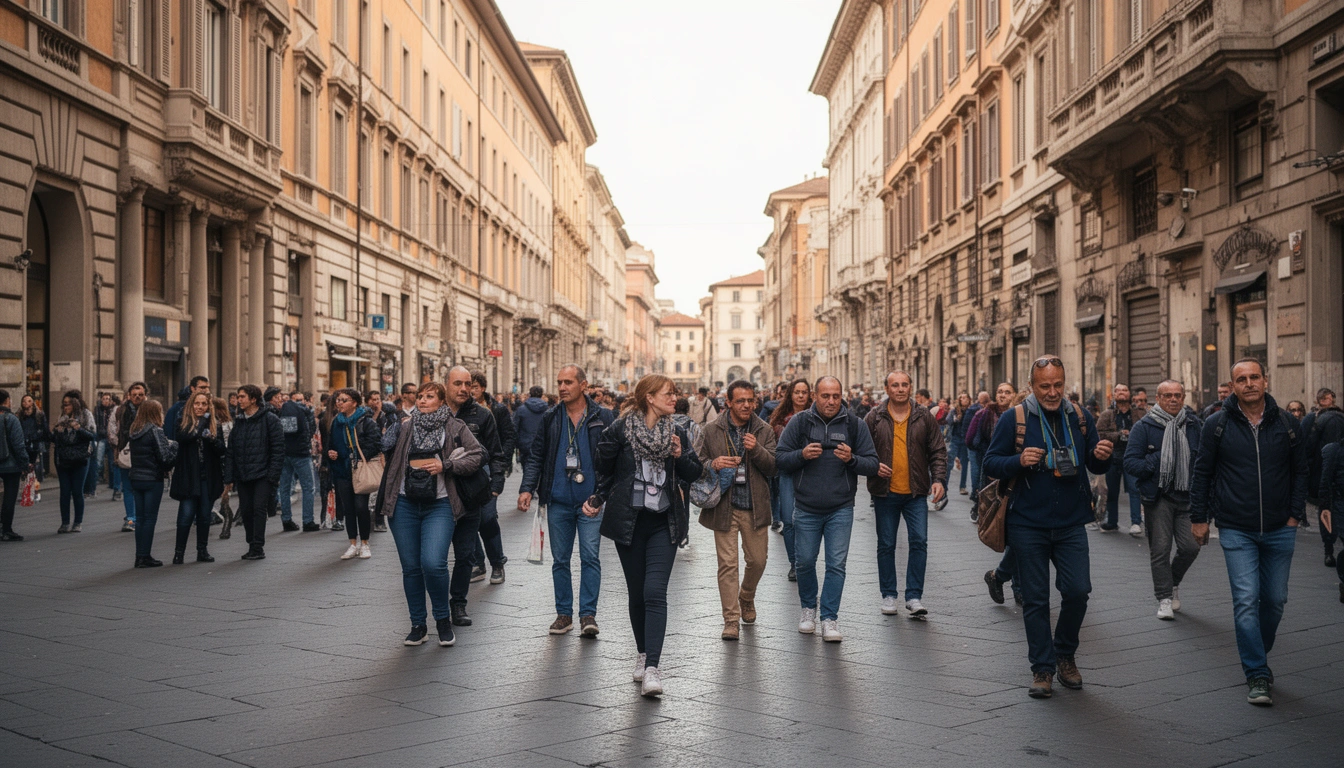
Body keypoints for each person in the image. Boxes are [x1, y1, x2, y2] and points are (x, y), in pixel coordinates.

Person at [983, 356, 1113, 699]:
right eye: (1045, 386)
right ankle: (1042, 668)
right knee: (1036, 600)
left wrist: (1102, 456)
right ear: (1031, 386)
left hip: (1071, 522)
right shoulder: (1015, 418)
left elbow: (1093, 461)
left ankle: (1065, 653)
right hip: (1028, 524)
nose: (1053, 392)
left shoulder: (1080, 416)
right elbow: (991, 463)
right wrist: (1018, 460)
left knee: (1078, 591)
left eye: (1058, 385)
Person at [1190, 359, 1307, 707]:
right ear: (1232, 386)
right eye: (1241, 379)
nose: (1249, 383)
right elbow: (1202, 473)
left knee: (1275, 600)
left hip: (1280, 527)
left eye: (1255, 377)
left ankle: (1257, 648)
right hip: (1236, 528)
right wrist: (1199, 518)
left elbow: (1301, 471)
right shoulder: (1217, 424)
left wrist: (1294, 515)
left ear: (1265, 381)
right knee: (1245, 601)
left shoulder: (1286, 423)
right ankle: (1256, 672)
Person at [593, 374, 703, 697]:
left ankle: (653, 667)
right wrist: (600, 491)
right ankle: (642, 653)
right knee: (637, 594)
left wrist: (681, 455)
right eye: (668, 393)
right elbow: (603, 465)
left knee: (655, 591)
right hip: (629, 521)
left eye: (674, 393)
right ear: (649, 397)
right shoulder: (621, 428)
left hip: (663, 522)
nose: (674, 398)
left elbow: (695, 473)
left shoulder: (677, 431)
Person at [378, 381, 487, 648]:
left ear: (441, 402)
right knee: (411, 568)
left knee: (433, 563)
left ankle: (442, 620)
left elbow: (478, 455)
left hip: (439, 504)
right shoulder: (405, 425)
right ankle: (418, 625)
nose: (423, 401)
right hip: (404, 504)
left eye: (429, 396)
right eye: (420, 396)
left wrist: (446, 465)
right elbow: (382, 448)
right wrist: (392, 425)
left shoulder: (455, 427)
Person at [776, 376, 880, 642]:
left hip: (840, 507)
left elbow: (872, 464)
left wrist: (852, 459)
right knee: (804, 562)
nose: (831, 401)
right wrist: (801, 455)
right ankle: (808, 609)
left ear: (841, 395)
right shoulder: (800, 422)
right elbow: (780, 458)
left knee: (836, 564)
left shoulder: (854, 424)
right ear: (815, 396)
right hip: (806, 506)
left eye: (836, 396)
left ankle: (829, 617)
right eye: (825, 396)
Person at [518, 365, 615, 636]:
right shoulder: (550, 417)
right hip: (558, 500)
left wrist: (603, 494)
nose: (562, 387)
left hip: (590, 502)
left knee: (590, 557)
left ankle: (588, 615)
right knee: (560, 560)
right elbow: (537, 456)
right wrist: (527, 488)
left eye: (568, 382)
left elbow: (613, 458)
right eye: (559, 382)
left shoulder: (603, 416)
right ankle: (564, 614)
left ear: (583, 385)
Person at [699, 379, 777, 641]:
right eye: (740, 401)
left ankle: (747, 595)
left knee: (758, 561)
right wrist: (713, 463)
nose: (746, 405)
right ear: (728, 403)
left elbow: (773, 467)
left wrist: (756, 450)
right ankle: (731, 620)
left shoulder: (764, 429)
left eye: (750, 400)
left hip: (754, 506)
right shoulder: (711, 430)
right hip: (724, 506)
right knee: (727, 565)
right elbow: (697, 462)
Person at [866, 371, 947, 619]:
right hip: (885, 492)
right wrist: (873, 466)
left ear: (911, 387)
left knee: (919, 541)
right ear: (887, 389)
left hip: (916, 492)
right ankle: (889, 595)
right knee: (886, 544)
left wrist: (939, 479)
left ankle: (913, 597)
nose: (900, 389)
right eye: (895, 385)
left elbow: (938, 450)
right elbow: (862, 450)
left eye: (904, 384)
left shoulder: (924, 416)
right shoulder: (874, 417)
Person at [1124, 380, 1203, 620]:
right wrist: (1160, 457)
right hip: (1158, 497)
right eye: (1167, 395)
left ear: (1183, 398)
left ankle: (1172, 581)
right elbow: (1131, 463)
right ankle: (1164, 598)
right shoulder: (1144, 426)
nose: (1173, 399)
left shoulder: (1194, 425)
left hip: (1188, 497)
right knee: (1160, 549)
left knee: (1191, 547)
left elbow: (1203, 462)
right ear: (1157, 399)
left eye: (1178, 395)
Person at [442, 367, 505, 627]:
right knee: (435, 558)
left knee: (468, 549)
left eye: (468, 384)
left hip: (473, 490)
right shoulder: (434, 412)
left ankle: (459, 602)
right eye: (458, 383)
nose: (464, 389)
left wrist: (496, 486)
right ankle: (439, 606)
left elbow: (496, 452)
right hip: (440, 494)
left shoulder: (482, 415)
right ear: (446, 385)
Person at [983, 386, 1031, 607]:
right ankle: (1018, 588)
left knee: (1023, 544)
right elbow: (992, 461)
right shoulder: (1013, 423)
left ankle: (999, 576)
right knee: (1021, 543)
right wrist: (1019, 461)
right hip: (1014, 493)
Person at [323, 388, 382, 560]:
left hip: (359, 470)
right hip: (342, 470)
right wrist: (331, 453)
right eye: (338, 400)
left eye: (344, 400)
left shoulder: (366, 421)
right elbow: (330, 444)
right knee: (348, 508)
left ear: (354, 403)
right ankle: (352, 543)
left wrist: (355, 456)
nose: (339, 403)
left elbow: (375, 443)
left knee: (361, 507)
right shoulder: (336, 422)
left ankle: (365, 543)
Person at [168, 392, 227, 564]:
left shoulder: (214, 424)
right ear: (191, 405)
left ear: (208, 406)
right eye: (197, 403)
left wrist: (213, 439)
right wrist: (201, 426)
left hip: (207, 477)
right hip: (188, 476)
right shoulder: (183, 422)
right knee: (185, 516)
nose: (200, 407)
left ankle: (202, 550)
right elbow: (183, 437)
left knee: (204, 516)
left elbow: (221, 450)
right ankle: (179, 552)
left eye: (203, 404)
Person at [469, 372, 516, 587]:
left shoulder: (496, 409)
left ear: (483, 388)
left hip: (490, 468)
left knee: (487, 518)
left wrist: (502, 462)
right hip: (467, 471)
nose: (470, 390)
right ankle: (478, 562)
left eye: (474, 386)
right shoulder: (459, 410)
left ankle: (497, 562)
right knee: (468, 519)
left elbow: (509, 436)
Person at [229, 385, 284, 561]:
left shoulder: (270, 419)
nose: (239, 400)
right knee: (246, 511)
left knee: (259, 509)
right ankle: (251, 543)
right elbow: (231, 450)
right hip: (243, 474)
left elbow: (278, 449)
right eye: (238, 397)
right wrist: (229, 477)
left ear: (253, 399)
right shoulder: (239, 421)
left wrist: (272, 476)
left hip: (263, 474)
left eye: (242, 397)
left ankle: (257, 546)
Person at [126, 400, 178, 568]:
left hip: (136, 478)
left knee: (140, 519)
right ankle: (144, 555)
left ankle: (139, 556)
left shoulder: (134, 431)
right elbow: (165, 459)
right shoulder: (156, 431)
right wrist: (174, 447)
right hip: (152, 479)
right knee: (149, 519)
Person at [770, 379, 811, 582]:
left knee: (808, 521)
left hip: (811, 473)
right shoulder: (779, 418)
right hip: (787, 472)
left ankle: (806, 561)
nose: (801, 395)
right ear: (790, 395)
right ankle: (794, 563)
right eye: (797, 392)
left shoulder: (816, 416)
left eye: (804, 392)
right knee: (788, 520)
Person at [1300, 388, 1344, 565]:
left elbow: (1305, 446)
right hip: (1333, 470)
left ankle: (1329, 550)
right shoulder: (1337, 417)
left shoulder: (1314, 419)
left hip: (1322, 471)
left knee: (1326, 507)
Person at [1095, 384, 1147, 536]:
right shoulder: (1107, 414)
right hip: (1113, 456)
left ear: (1129, 394)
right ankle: (1112, 521)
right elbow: (1099, 433)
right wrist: (1118, 435)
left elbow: (1146, 431)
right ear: (1114, 394)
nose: (1122, 393)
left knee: (1134, 489)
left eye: (1125, 390)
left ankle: (1136, 522)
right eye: (1118, 391)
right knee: (1112, 491)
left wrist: (1132, 434)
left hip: (1133, 457)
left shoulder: (1139, 413)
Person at [51, 391, 96, 534]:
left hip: (80, 458)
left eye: (68, 404)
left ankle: (77, 522)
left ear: (75, 404)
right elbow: (55, 439)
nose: (65, 407)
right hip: (63, 458)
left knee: (77, 491)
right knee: (64, 492)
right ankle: (65, 522)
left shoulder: (86, 415)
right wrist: (56, 431)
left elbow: (92, 436)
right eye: (64, 404)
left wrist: (78, 428)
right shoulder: (62, 417)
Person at [108, 383, 148, 531]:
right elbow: (112, 430)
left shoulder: (149, 409)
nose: (137, 397)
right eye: (134, 395)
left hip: (145, 454)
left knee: (142, 487)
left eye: (140, 395)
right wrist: (119, 446)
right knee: (128, 488)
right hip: (126, 453)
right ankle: (131, 518)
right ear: (129, 396)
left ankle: (141, 517)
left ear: (145, 396)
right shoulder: (120, 410)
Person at [278, 387, 318, 532]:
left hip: (284, 453)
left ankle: (286, 519)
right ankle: (308, 521)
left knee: (285, 488)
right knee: (308, 487)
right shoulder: (305, 411)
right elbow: (311, 429)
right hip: (301, 454)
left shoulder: (281, 410)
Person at [0, 390, 30, 541]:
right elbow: (19, 445)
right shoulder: (11, 419)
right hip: (10, 464)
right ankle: (6, 529)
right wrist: (25, 464)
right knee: (9, 497)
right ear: (7, 401)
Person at [86, 392, 117, 497]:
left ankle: (113, 484)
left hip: (111, 439)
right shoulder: (97, 409)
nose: (106, 401)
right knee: (98, 461)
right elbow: (95, 423)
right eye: (104, 399)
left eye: (107, 398)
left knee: (112, 462)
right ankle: (95, 483)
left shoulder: (113, 410)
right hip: (102, 438)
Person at [964, 391, 993, 495]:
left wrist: (969, 443)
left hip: (976, 444)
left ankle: (976, 491)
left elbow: (967, 429)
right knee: (980, 469)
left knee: (976, 468)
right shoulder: (989, 411)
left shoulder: (974, 411)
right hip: (981, 444)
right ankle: (980, 490)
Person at [164, 376, 210, 440]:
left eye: (208, 387)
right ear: (193, 388)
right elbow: (171, 432)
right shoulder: (179, 407)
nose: (206, 390)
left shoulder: (211, 405)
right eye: (202, 387)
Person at [513, 385, 549, 466]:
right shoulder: (548, 410)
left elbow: (515, 428)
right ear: (542, 395)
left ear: (530, 394)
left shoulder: (521, 410)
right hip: (543, 446)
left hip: (525, 446)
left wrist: (517, 444)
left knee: (527, 469)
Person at [18, 395, 48, 485]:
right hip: (24, 445)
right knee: (25, 469)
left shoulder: (39, 415)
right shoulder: (19, 415)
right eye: (24, 401)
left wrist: (40, 438)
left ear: (33, 403)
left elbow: (45, 430)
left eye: (29, 401)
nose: (26, 403)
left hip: (35, 445)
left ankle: (34, 485)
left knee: (35, 467)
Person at [947, 393, 973, 495]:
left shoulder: (971, 411)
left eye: (965, 397)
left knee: (965, 464)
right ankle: (944, 485)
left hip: (965, 440)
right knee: (949, 462)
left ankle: (962, 487)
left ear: (969, 399)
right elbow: (948, 420)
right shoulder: (955, 410)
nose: (963, 399)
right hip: (955, 439)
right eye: (961, 398)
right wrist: (954, 419)